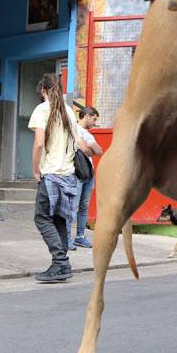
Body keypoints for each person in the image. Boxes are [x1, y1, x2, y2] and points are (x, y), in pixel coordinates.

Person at [30, 72, 80, 283]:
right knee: (59, 220)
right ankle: (64, 264)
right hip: (68, 176)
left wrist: (35, 170)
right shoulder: (69, 111)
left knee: (41, 218)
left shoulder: (42, 109)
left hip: (50, 174)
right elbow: (78, 144)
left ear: (43, 90)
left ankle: (59, 262)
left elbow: (39, 144)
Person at [70, 105, 103, 250]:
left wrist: (90, 147)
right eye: (94, 119)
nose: (95, 122)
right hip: (77, 173)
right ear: (87, 116)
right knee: (73, 205)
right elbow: (84, 149)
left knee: (84, 205)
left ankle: (80, 236)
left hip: (89, 174)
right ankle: (66, 239)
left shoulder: (89, 134)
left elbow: (99, 151)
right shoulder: (75, 129)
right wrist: (90, 147)